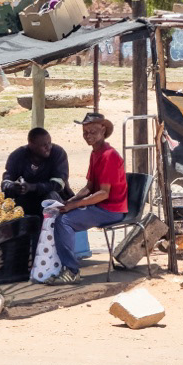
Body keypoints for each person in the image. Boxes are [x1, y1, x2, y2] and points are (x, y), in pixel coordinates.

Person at [48, 112, 128, 286]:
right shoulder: (95, 153)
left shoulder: (109, 155)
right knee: (61, 214)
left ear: (103, 130)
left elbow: (104, 194)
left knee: (64, 221)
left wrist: (75, 205)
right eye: (85, 132)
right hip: (100, 206)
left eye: (93, 132)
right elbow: (89, 187)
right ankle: (64, 266)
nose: (88, 136)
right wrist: (71, 201)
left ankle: (71, 271)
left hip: (111, 209)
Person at [1, 128, 72, 217]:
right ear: (31, 145)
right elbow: (5, 183)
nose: (48, 147)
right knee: (9, 202)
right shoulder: (18, 156)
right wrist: (14, 187)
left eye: (49, 143)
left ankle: (49, 225)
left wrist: (32, 187)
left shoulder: (57, 153)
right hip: (28, 201)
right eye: (44, 145)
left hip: (53, 201)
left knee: (51, 196)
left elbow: (58, 185)